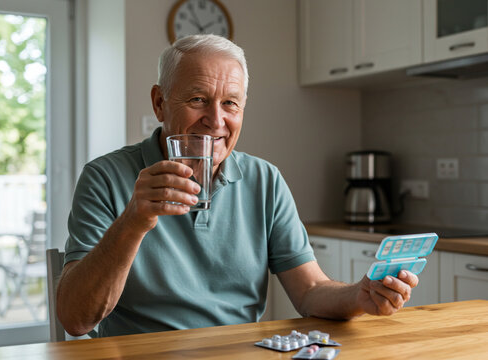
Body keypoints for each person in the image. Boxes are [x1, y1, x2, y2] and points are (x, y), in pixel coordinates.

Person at [57, 34, 418, 338]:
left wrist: (360, 295)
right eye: (198, 99)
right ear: (160, 103)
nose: (216, 121)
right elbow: (76, 320)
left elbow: (309, 291)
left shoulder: (265, 180)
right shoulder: (105, 177)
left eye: (230, 103)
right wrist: (134, 220)